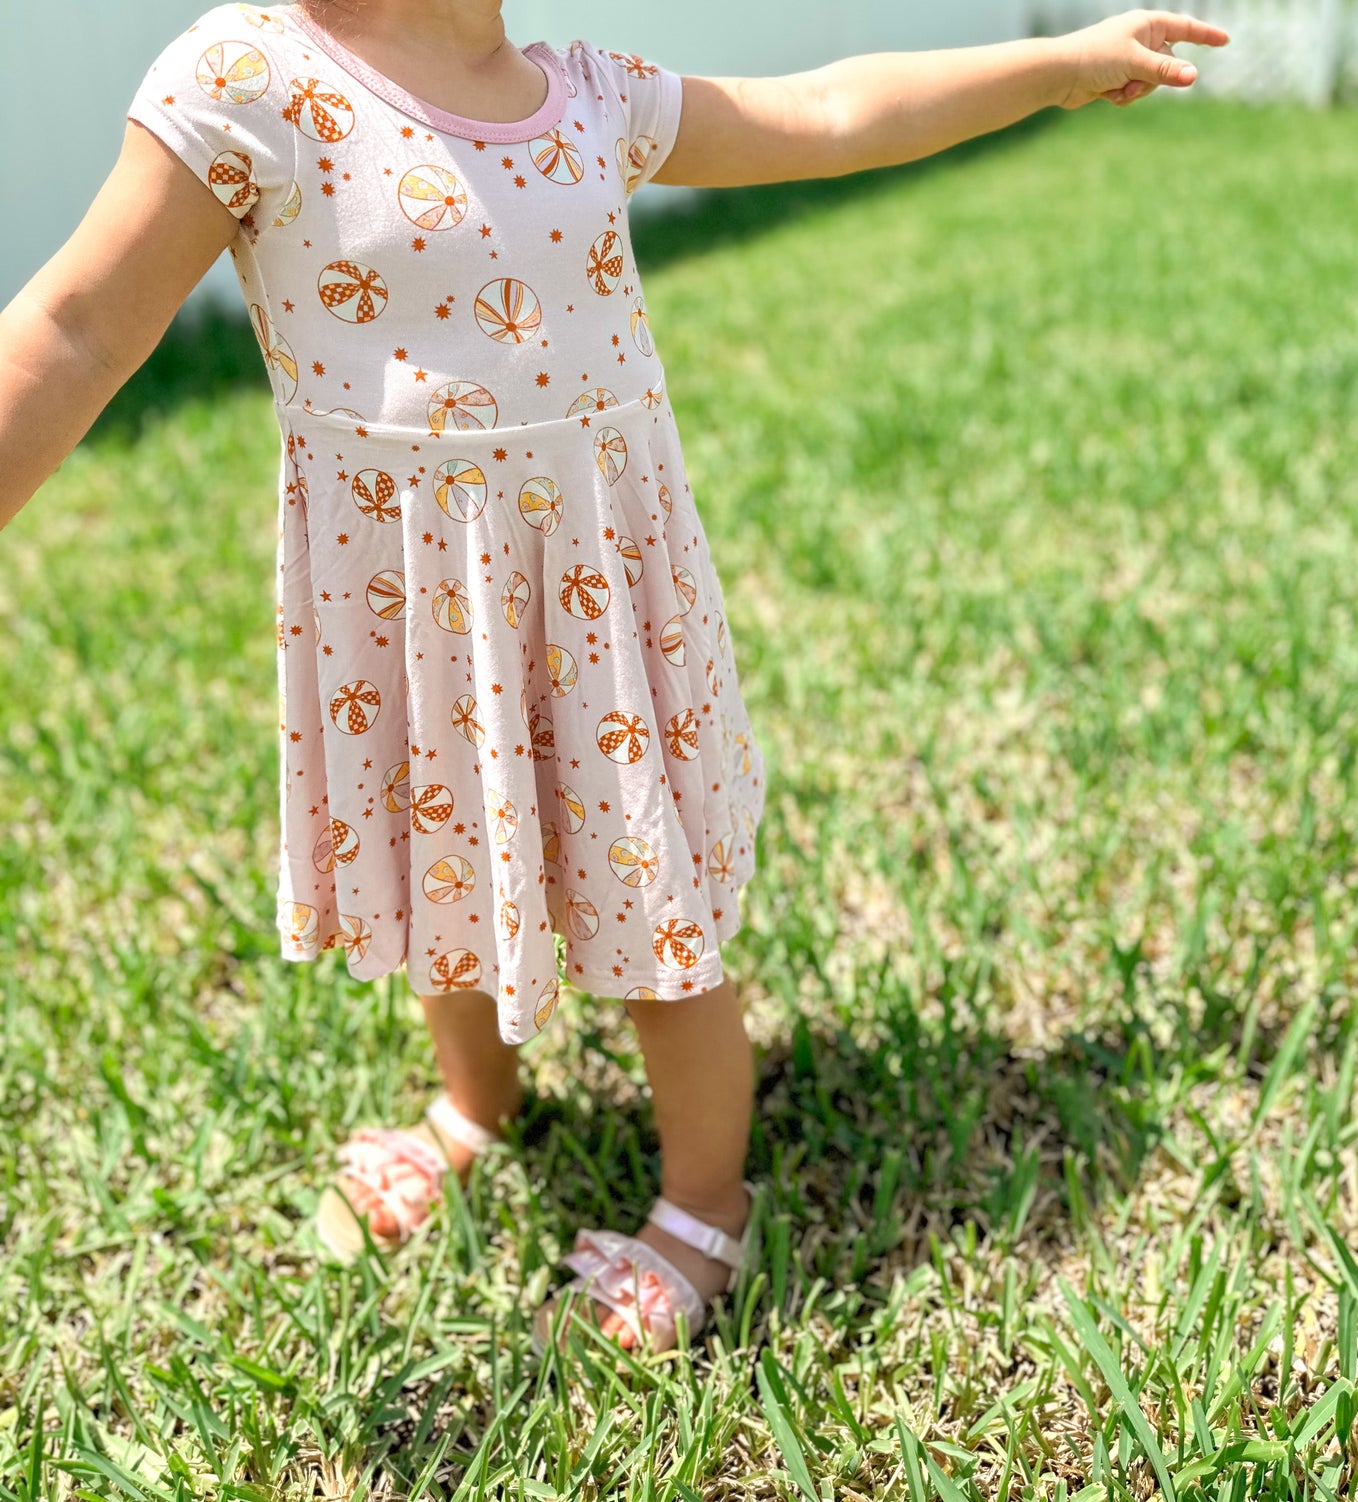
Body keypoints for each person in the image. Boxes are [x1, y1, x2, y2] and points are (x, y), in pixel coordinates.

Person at [0, 0, 1226, 1356]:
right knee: (444, 862)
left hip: (592, 599)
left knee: (645, 895)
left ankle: (705, 1202)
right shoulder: (249, 81)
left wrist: (1052, 62)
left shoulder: (586, 96)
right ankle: (472, 1104)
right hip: (415, 613)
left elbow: (827, 110)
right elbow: (75, 326)